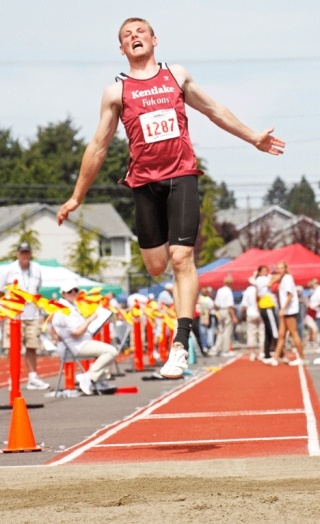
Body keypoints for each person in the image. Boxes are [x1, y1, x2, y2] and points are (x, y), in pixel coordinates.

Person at [56, 17, 285, 379]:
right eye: (127, 35)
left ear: (154, 40)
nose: (134, 37)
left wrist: (252, 137)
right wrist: (76, 197)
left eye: (140, 32)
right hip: (143, 184)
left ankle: (179, 344)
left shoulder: (175, 75)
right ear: (121, 49)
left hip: (181, 176)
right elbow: (98, 146)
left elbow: (214, 110)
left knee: (182, 259)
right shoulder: (116, 92)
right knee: (156, 267)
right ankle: (176, 318)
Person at [51, 280, 118, 395]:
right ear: (63, 293)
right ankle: (89, 377)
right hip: (75, 346)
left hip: (81, 342)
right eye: (69, 291)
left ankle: (98, 380)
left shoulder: (72, 306)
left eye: (75, 290)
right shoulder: (64, 310)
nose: (73, 293)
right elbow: (76, 333)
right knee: (111, 351)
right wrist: (91, 319)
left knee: (107, 353)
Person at [0, 242, 50, 390]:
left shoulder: (36, 268)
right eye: (22, 253)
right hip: (15, 315)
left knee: (32, 345)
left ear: (30, 253)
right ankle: (12, 377)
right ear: (17, 254)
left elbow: (37, 287)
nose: (24, 256)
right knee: (13, 347)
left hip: (32, 313)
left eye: (27, 252)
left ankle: (33, 377)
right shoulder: (9, 270)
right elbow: (1, 290)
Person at [264, 261, 307, 366]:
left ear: (286, 268)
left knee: (294, 333)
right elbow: (269, 284)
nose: (279, 270)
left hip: (289, 310)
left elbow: (290, 295)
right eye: (278, 268)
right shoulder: (283, 278)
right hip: (285, 311)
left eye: (281, 268)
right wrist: (276, 276)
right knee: (281, 335)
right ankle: (275, 358)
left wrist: (283, 309)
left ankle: (302, 357)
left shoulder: (287, 278)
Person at [249, 265, 279, 363]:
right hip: (267, 306)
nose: (266, 272)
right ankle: (279, 352)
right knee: (274, 329)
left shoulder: (258, 281)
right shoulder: (261, 279)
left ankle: (266, 353)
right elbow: (273, 280)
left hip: (263, 306)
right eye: (264, 271)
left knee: (267, 331)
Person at [214, 276, 238, 357]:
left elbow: (216, 304)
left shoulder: (220, 290)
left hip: (220, 310)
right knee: (227, 331)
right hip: (227, 311)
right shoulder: (229, 292)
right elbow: (229, 305)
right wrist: (234, 316)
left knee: (220, 330)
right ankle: (225, 350)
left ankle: (217, 348)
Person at [240, 283, 265, 361]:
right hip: (260, 313)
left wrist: (243, 315)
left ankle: (252, 353)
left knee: (251, 333)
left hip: (250, 313)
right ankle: (262, 352)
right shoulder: (261, 289)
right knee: (262, 333)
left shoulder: (247, 291)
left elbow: (244, 305)